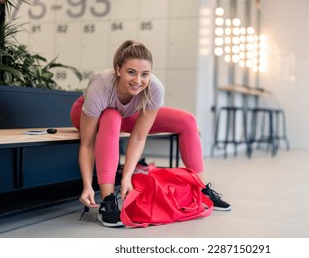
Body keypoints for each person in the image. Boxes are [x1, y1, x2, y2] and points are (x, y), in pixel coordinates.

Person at [70, 40, 231, 227]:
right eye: (131, 72)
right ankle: (107, 200)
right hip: (89, 116)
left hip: (126, 114)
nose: (138, 80)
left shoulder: (154, 88)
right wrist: (88, 185)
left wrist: (127, 175)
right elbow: (87, 144)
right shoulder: (100, 86)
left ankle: (200, 189)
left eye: (144, 74)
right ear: (118, 69)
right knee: (112, 116)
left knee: (187, 121)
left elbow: (138, 136)